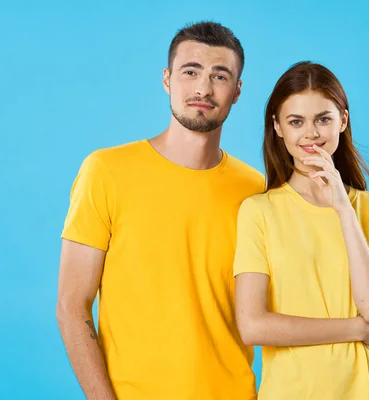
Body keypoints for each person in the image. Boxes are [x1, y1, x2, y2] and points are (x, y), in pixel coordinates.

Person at [56, 21, 264, 399]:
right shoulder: (106, 172)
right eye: (190, 72)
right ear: (167, 79)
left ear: (237, 91)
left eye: (220, 76)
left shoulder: (256, 191)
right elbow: (72, 306)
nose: (203, 88)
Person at [233, 61, 369, 399]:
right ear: (278, 127)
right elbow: (253, 325)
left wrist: (342, 207)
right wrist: (356, 329)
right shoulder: (259, 212)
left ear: (342, 120)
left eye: (323, 119)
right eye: (296, 121)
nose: (310, 133)